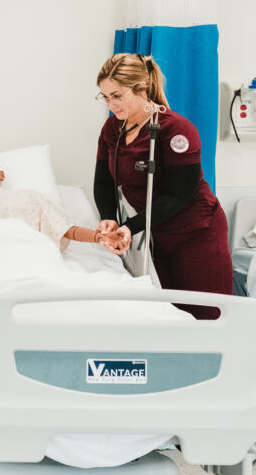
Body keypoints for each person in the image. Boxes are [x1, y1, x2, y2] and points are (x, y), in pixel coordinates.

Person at [92, 53, 231, 319]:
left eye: (117, 96)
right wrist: (109, 218)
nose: (111, 105)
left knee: (209, 315)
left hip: (196, 233)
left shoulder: (176, 130)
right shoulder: (113, 129)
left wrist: (131, 226)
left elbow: (180, 196)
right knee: (168, 317)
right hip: (155, 234)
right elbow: (104, 181)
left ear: (141, 88)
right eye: (105, 96)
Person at [0, 154, 130, 255]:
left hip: (28, 256)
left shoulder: (29, 197)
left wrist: (100, 237)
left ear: (2, 175)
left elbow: (66, 229)